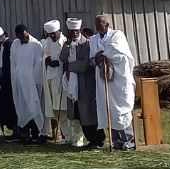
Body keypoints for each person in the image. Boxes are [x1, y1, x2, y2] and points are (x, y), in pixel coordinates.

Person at [92, 15, 137, 151]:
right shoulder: (94, 39)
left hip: (119, 80)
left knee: (120, 108)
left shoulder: (117, 35)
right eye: (97, 24)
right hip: (102, 78)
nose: (99, 26)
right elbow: (93, 55)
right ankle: (116, 140)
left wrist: (103, 54)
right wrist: (99, 57)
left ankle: (128, 140)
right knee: (107, 108)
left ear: (107, 24)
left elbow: (116, 51)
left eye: (101, 24)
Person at [10, 25, 45, 144]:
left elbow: (38, 65)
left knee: (33, 107)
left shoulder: (36, 45)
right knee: (21, 107)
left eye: (24, 36)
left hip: (31, 84)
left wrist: (35, 83)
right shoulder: (15, 44)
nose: (22, 39)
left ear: (27, 33)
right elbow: (13, 62)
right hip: (18, 82)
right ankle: (24, 134)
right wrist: (14, 78)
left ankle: (35, 134)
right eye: (20, 37)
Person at [58, 18, 90, 147]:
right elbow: (62, 58)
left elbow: (84, 64)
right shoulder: (67, 43)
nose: (74, 34)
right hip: (70, 81)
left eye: (76, 31)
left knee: (83, 111)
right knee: (73, 112)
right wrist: (66, 46)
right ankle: (75, 138)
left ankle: (84, 138)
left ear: (80, 30)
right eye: (72, 32)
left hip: (82, 83)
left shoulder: (86, 43)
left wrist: (70, 67)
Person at [42, 20, 68, 142]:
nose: (52, 36)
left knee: (63, 109)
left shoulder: (65, 42)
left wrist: (59, 63)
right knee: (54, 108)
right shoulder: (47, 42)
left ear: (59, 31)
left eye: (53, 33)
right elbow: (44, 55)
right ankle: (59, 135)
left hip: (62, 79)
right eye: (49, 34)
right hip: (50, 79)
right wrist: (47, 60)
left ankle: (68, 136)